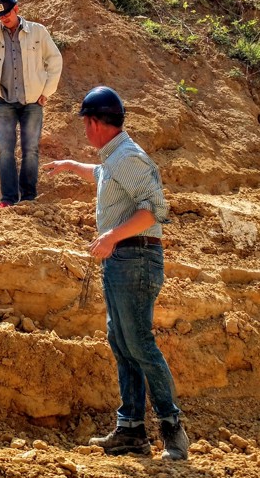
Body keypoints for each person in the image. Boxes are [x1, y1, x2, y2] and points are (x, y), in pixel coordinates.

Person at [42, 86, 189, 461]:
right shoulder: (114, 158)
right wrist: (73, 166)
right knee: (122, 343)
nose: (84, 132)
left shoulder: (128, 157)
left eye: (85, 124)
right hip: (122, 260)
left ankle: (173, 430)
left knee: (138, 343)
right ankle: (131, 431)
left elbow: (154, 211)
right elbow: (106, 175)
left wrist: (110, 236)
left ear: (94, 122)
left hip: (135, 258)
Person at [0, 0, 62, 206]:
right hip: (3, 102)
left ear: (17, 9)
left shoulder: (38, 32)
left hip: (32, 102)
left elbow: (55, 60)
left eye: (7, 14)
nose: (4, 19)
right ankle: (9, 199)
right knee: (5, 152)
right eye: (0, 16)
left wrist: (45, 92)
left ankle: (29, 197)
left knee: (30, 151)